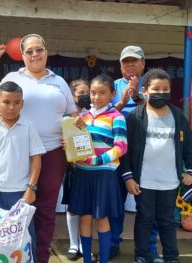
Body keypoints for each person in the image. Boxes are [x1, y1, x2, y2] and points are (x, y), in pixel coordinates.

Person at [0, 33, 79, 263]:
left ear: (46, 51)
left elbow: (76, 117)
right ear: (22, 55)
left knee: (46, 209)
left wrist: (72, 137)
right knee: (18, 207)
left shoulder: (58, 82)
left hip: (52, 153)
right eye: (29, 51)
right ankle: (17, 257)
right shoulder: (12, 77)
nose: (35, 54)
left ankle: (40, 258)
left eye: (39, 49)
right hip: (17, 153)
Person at [121, 68, 192, 263]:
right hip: (144, 181)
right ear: (145, 91)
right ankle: (142, 255)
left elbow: (190, 146)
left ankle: (171, 256)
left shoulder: (178, 116)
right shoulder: (135, 117)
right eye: (156, 88)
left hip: (170, 181)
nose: (161, 92)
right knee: (144, 219)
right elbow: (126, 151)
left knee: (166, 221)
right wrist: (128, 177)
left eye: (166, 89)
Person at [0, 81, 46, 259]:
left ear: (22, 104)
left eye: (16, 102)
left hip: (20, 194)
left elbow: (36, 160)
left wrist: (31, 189)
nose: (11, 107)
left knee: (24, 238)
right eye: (6, 102)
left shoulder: (29, 127)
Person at [67, 74, 127, 263]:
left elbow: (121, 147)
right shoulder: (82, 117)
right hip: (83, 173)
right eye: (93, 93)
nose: (96, 97)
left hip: (104, 174)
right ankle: (86, 259)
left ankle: (103, 260)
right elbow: (77, 144)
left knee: (102, 218)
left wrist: (97, 160)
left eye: (102, 92)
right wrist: (69, 146)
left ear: (112, 94)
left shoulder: (116, 117)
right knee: (85, 217)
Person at [109, 45, 157, 261]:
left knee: (148, 206)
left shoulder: (154, 85)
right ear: (120, 65)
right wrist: (121, 102)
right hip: (117, 155)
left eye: (134, 61)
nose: (129, 65)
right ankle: (112, 243)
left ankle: (148, 249)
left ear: (143, 63)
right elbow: (103, 116)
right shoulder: (111, 87)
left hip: (146, 155)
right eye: (125, 62)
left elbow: (159, 113)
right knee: (114, 203)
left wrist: (138, 96)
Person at [63, 79, 90, 261]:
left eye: (87, 92)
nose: (85, 96)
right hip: (72, 169)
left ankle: (84, 243)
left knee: (86, 208)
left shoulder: (92, 115)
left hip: (90, 168)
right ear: (72, 97)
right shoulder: (66, 118)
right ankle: (74, 244)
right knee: (73, 207)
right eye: (81, 93)